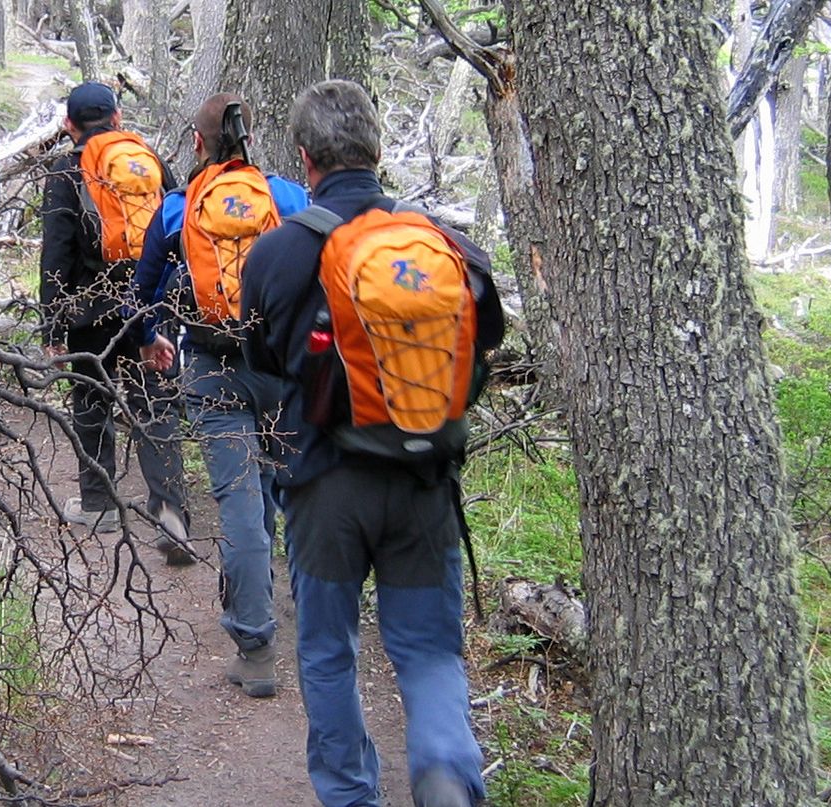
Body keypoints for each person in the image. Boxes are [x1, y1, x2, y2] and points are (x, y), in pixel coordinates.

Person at [240, 79, 504, 807]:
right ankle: (447, 769)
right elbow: (484, 345)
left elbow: (260, 363)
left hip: (324, 485)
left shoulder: (276, 256)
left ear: (304, 158)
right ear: (379, 150)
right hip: (424, 483)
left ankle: (352, 796)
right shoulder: (441, 245)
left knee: (328, 653)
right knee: (426, 652)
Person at [131, 92, 309, 698]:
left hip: (212, 366)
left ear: (199, 143)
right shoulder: (286, 197)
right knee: (282, 493)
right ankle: (307, 621)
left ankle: (256, 646)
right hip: (282, 366)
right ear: (250, 140)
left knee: (238, 501)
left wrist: (153, 338)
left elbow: (144, 288)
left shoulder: (178, 208)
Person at [39, 82, 192, 543]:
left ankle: (99, 503)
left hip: (92, 307)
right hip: (150, 305)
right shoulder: (149, 161)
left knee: (91, 402)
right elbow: (177, 231)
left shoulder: (66, 170)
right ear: (118, 117)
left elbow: (56, 253)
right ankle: (171, 513)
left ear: (69, 126)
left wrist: (53, 323)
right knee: (155, 406)